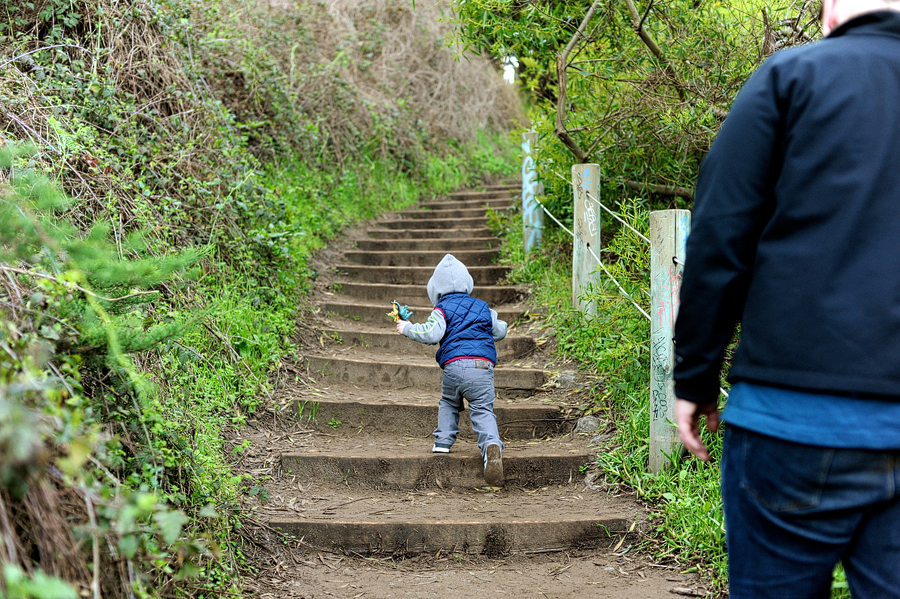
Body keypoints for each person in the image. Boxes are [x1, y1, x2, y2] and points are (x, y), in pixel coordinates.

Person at [672, 1, 900, 597]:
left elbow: (720, 234)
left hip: (790, 425)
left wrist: (694, 378)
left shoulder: (789, 77)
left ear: (829, 15)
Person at [395, 253, 508, 486]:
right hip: (482, 366)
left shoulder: (442, 310)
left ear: (434, 290)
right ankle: (491, 446)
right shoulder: (483, 307)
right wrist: (499, 323)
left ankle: (443, 443)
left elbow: (432, 333)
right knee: (483, 410)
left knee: (449, 401)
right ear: (468, 284)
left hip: (454, 366)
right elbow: (500, 331)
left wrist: (407, 327)